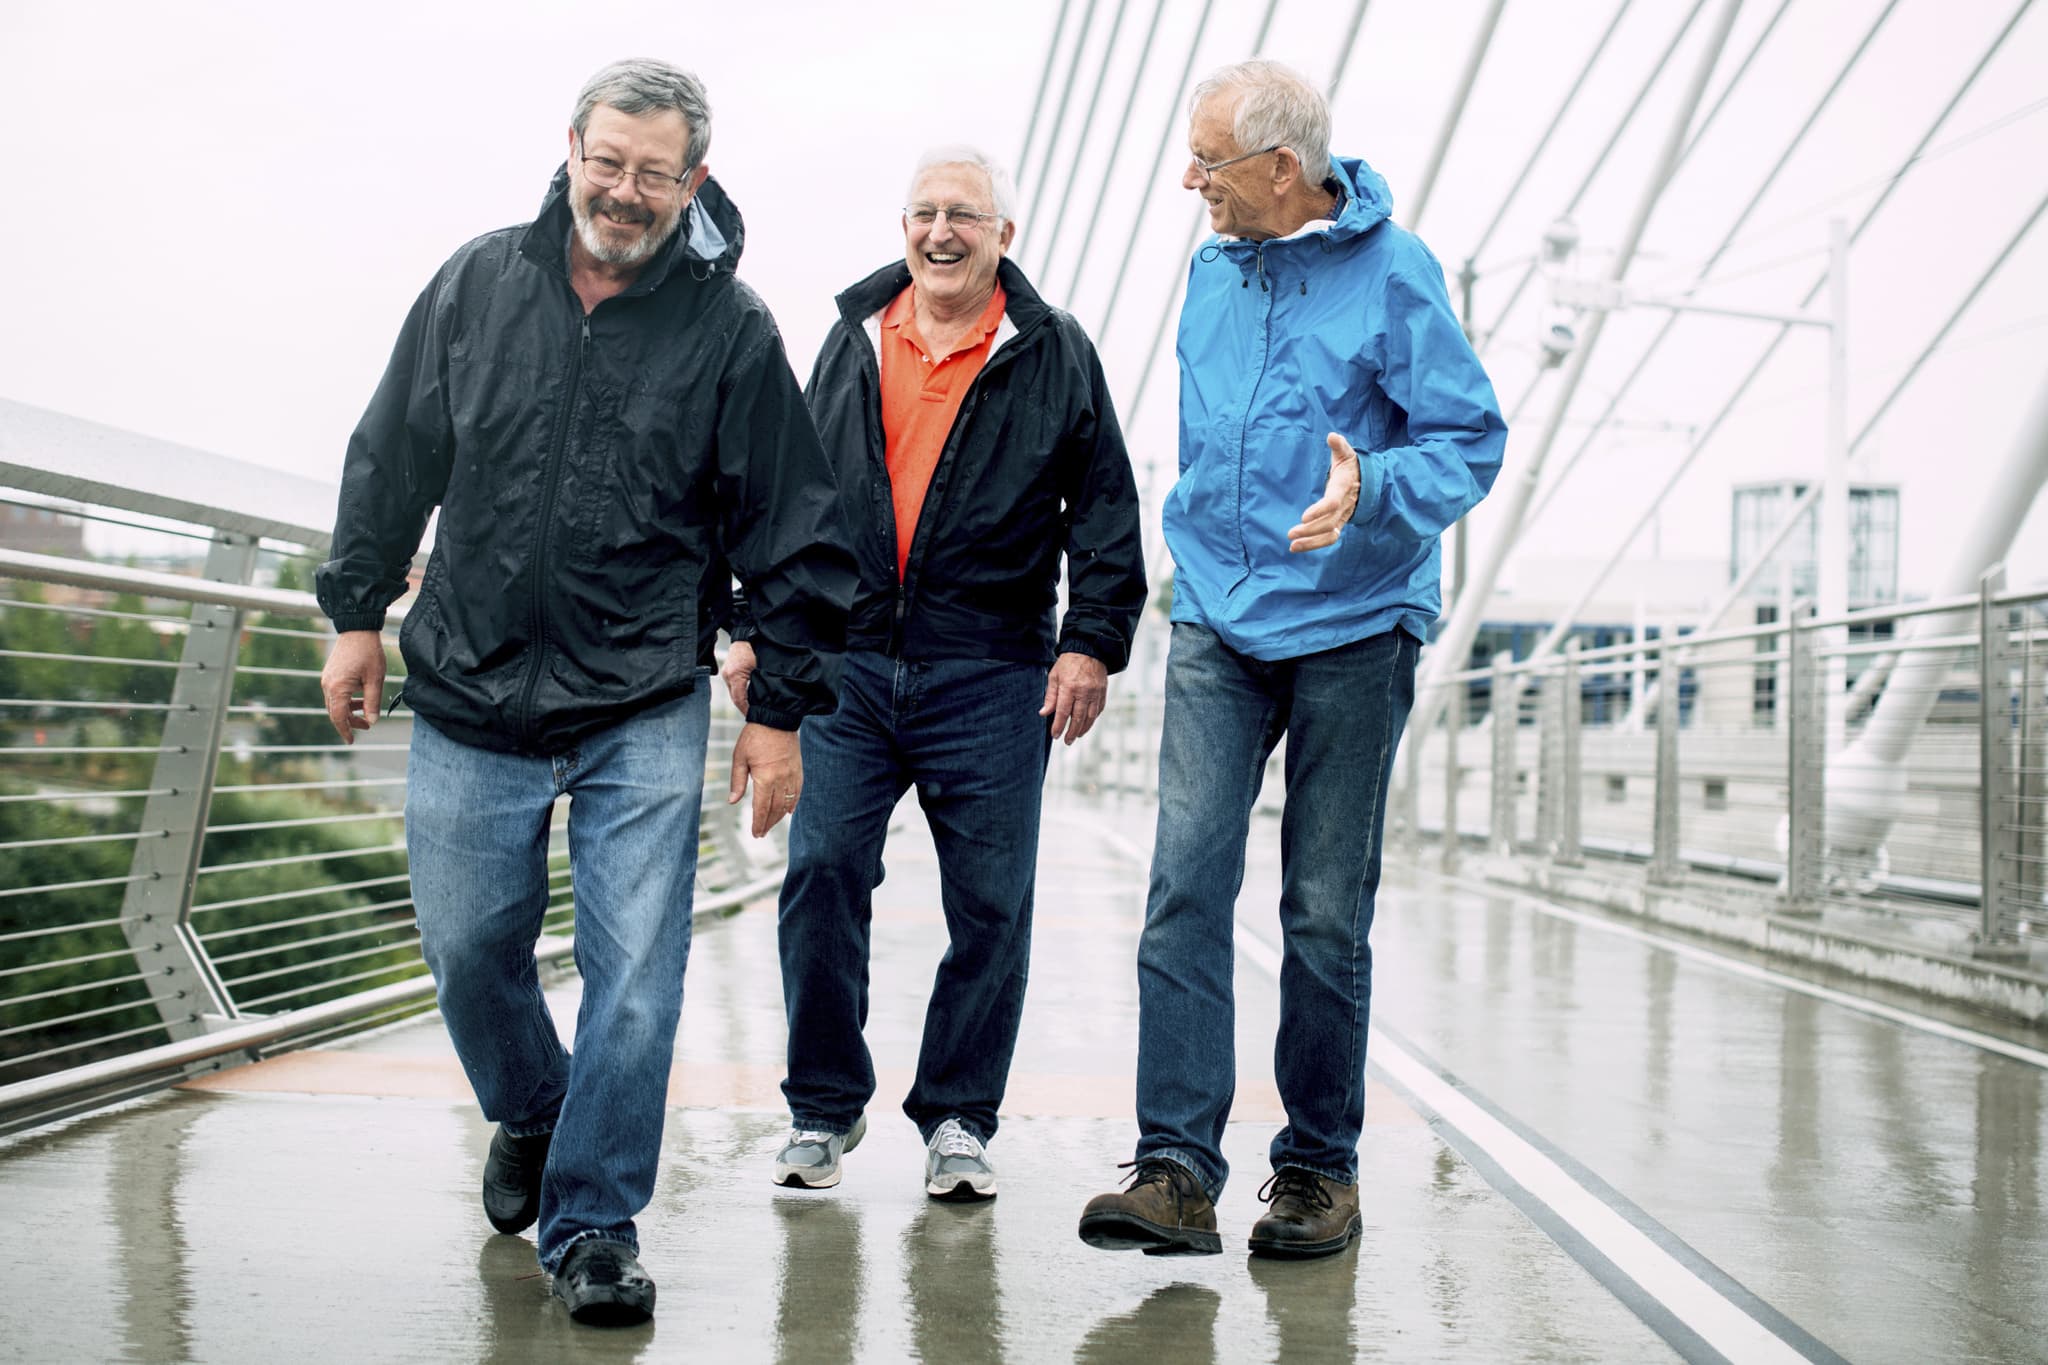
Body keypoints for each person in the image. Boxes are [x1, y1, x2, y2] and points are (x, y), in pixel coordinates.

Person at [314, 59, 855, 1325]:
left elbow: (790, 531)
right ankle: (533, 1107)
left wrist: (778, 708)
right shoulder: (474, 283)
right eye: (605, 161)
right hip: (466, 683)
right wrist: (353, 617)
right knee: (465, 947)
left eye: (652, 172)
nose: (623, 190)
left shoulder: (732, 330)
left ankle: (596, 1223)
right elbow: (395, 451)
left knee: (636, 973)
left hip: (639, 695)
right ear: (569, 148)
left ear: (692, 182)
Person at [1077, 60, 1506, 1260]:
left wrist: (1370, 488)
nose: (1187, 181)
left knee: (1321, 913)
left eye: (1206, 162)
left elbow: (1469, 440)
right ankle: (1172, 1170)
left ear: (1280, 169)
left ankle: (1317, 1173)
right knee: (1181, 888)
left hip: (1353, 625)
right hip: (1217, 618)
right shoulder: (1213, 274)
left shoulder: (1394, 273)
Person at [722, 145, 1145, 1202]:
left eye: (963, 213)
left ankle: (958, 1116)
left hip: (991, 670)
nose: (939, 231)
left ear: (1004, 234)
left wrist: (1089, 638)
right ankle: (821, 1109)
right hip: (845, 665)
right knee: (820, 876)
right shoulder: (853, 338)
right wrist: (745, 625)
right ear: (902, 227)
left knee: (992, 905)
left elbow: (1102, 506)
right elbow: (780, 492)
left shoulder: (1051, 351)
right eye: (922, 212)